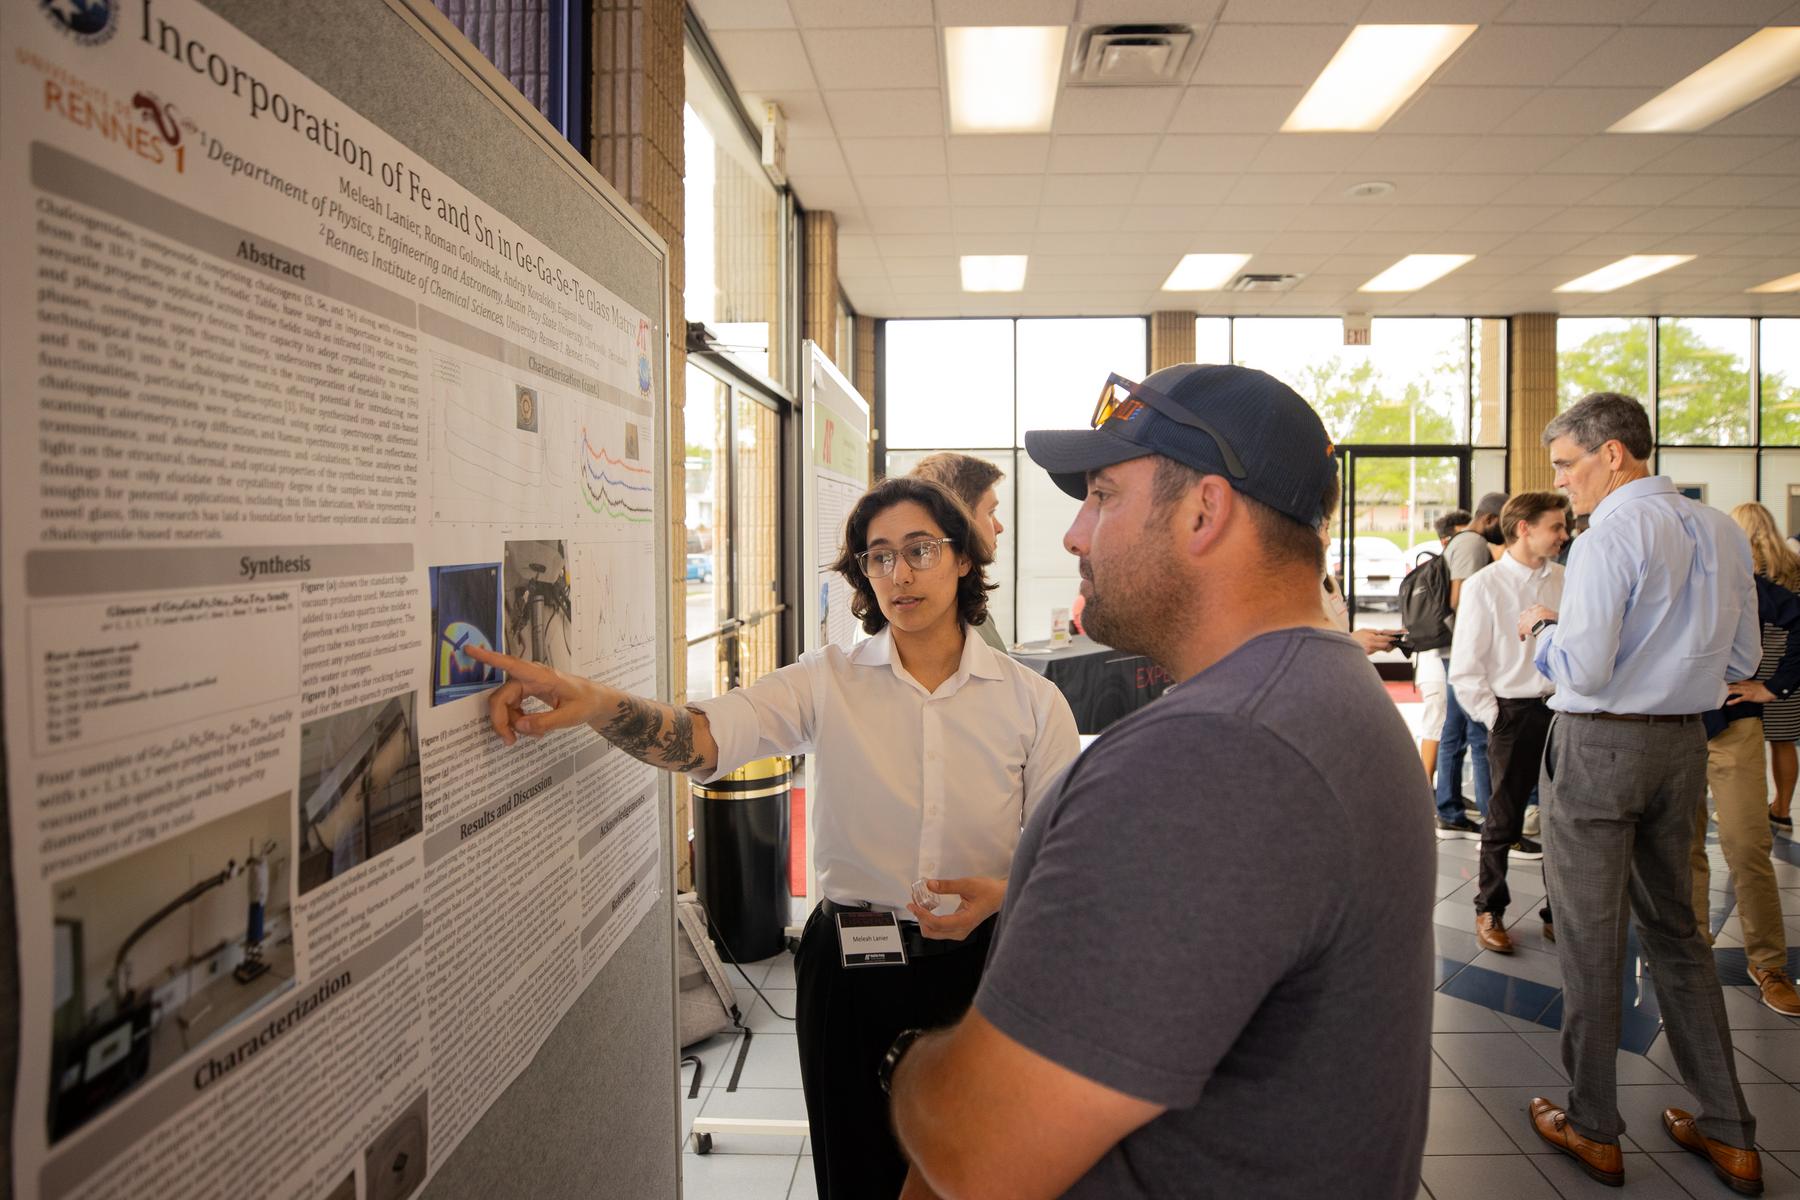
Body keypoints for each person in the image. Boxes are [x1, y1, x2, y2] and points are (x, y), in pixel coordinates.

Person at [887, 364, 1434, 1200]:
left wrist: (908, 1064)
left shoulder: (1214, 752)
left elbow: (978, 1148)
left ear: (1204, 512)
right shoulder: (1324, 689)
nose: (1074, 534)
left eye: (1103, 496)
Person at [467, 475, 1080, 1199]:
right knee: (855, 1176)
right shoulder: (830, 679)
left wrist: (1005, 895)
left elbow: (1071, 869)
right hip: (851, 971)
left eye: (920, 550)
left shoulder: (1031, 703)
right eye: (878, 557)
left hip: (985, 971)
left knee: (974, 1179)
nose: (899, 573)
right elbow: (702, 739)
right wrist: (596, 702)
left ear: (963, 561)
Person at [1520, 392, 1762, 1193]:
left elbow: (1584, 668)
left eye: (1567, 465)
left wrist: (1544, 632)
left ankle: (1594, 1128)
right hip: (1681, 746)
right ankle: (1730, 1132)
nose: (1565, 484)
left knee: (1593, 941)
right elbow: (1742, 656)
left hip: (1600, 746)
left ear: (1612, 454)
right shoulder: (1723, 528)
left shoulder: (1612, 532)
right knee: (1681, 936)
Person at [1447, 492, 1568, 954]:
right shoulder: (1485, 585)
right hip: (1513, 713)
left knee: (1563, 819)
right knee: (1504, 816)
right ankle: (1489, 907)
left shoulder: (1565, 579)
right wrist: (1495, 717)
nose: (1563, 535)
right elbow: (1466, 666)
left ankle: (1558, 911)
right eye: (1555, 527)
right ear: (1524, 528)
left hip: (1563, 710)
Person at [1695, 503, 1800, 1017]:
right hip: (1670, 728)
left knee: (1747, 843)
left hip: (1734, 725)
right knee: (1681, 847)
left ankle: (1769, 963)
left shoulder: (1743, 582)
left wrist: (1774, 686)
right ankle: (1692, 955)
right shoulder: (1660, 582)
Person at [1434, 491, 1508, 839]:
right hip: (1461, 651)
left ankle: (1450, 809)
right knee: (1477, 733)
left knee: (1456, 731)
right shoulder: (1473, 545)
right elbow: (1458, 598)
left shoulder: (1466, 543)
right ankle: (1487, 819)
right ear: (1490, 519)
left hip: (1455, 651)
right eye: (1503, 523)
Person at [1738, 505, 1800, 838]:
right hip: (1788, 668)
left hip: (1753, 668)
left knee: (1745, 746)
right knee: (1783, 743)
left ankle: (1746, 810)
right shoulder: (1794, 565)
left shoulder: (1742, 567)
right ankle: (1782, 810)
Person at [909, 453, 1009, 655]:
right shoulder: (926, 622)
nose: (999, 527)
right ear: (961, 519)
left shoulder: (967, 608)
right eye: (990, 512)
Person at [1417, 509, 1471, 781]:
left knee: (1448, 726)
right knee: (1438, 723)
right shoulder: (1443, 571)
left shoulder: (1447, 567)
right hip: (1437, 658)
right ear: (1446, 539)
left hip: (1445, 656)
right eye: (1464, 534)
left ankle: (1443, 796)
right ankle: (1425, 790)